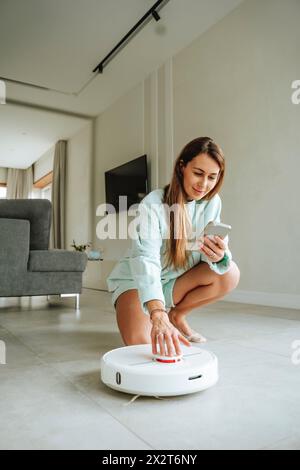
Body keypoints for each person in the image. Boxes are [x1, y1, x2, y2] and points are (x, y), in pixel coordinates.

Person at [106, 137, 240, 357]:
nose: (203, 184)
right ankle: (163, 314)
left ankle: (177, 316)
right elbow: (145, 258)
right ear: (182, 167)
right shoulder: (154, 203)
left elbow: (203, 252)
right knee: (142, 346)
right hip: (136, 282)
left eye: (212, 177)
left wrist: (217, 255)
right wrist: (157, 313)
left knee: (230, 272)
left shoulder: (213, 203)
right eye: (198, 173)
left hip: (173, 281)